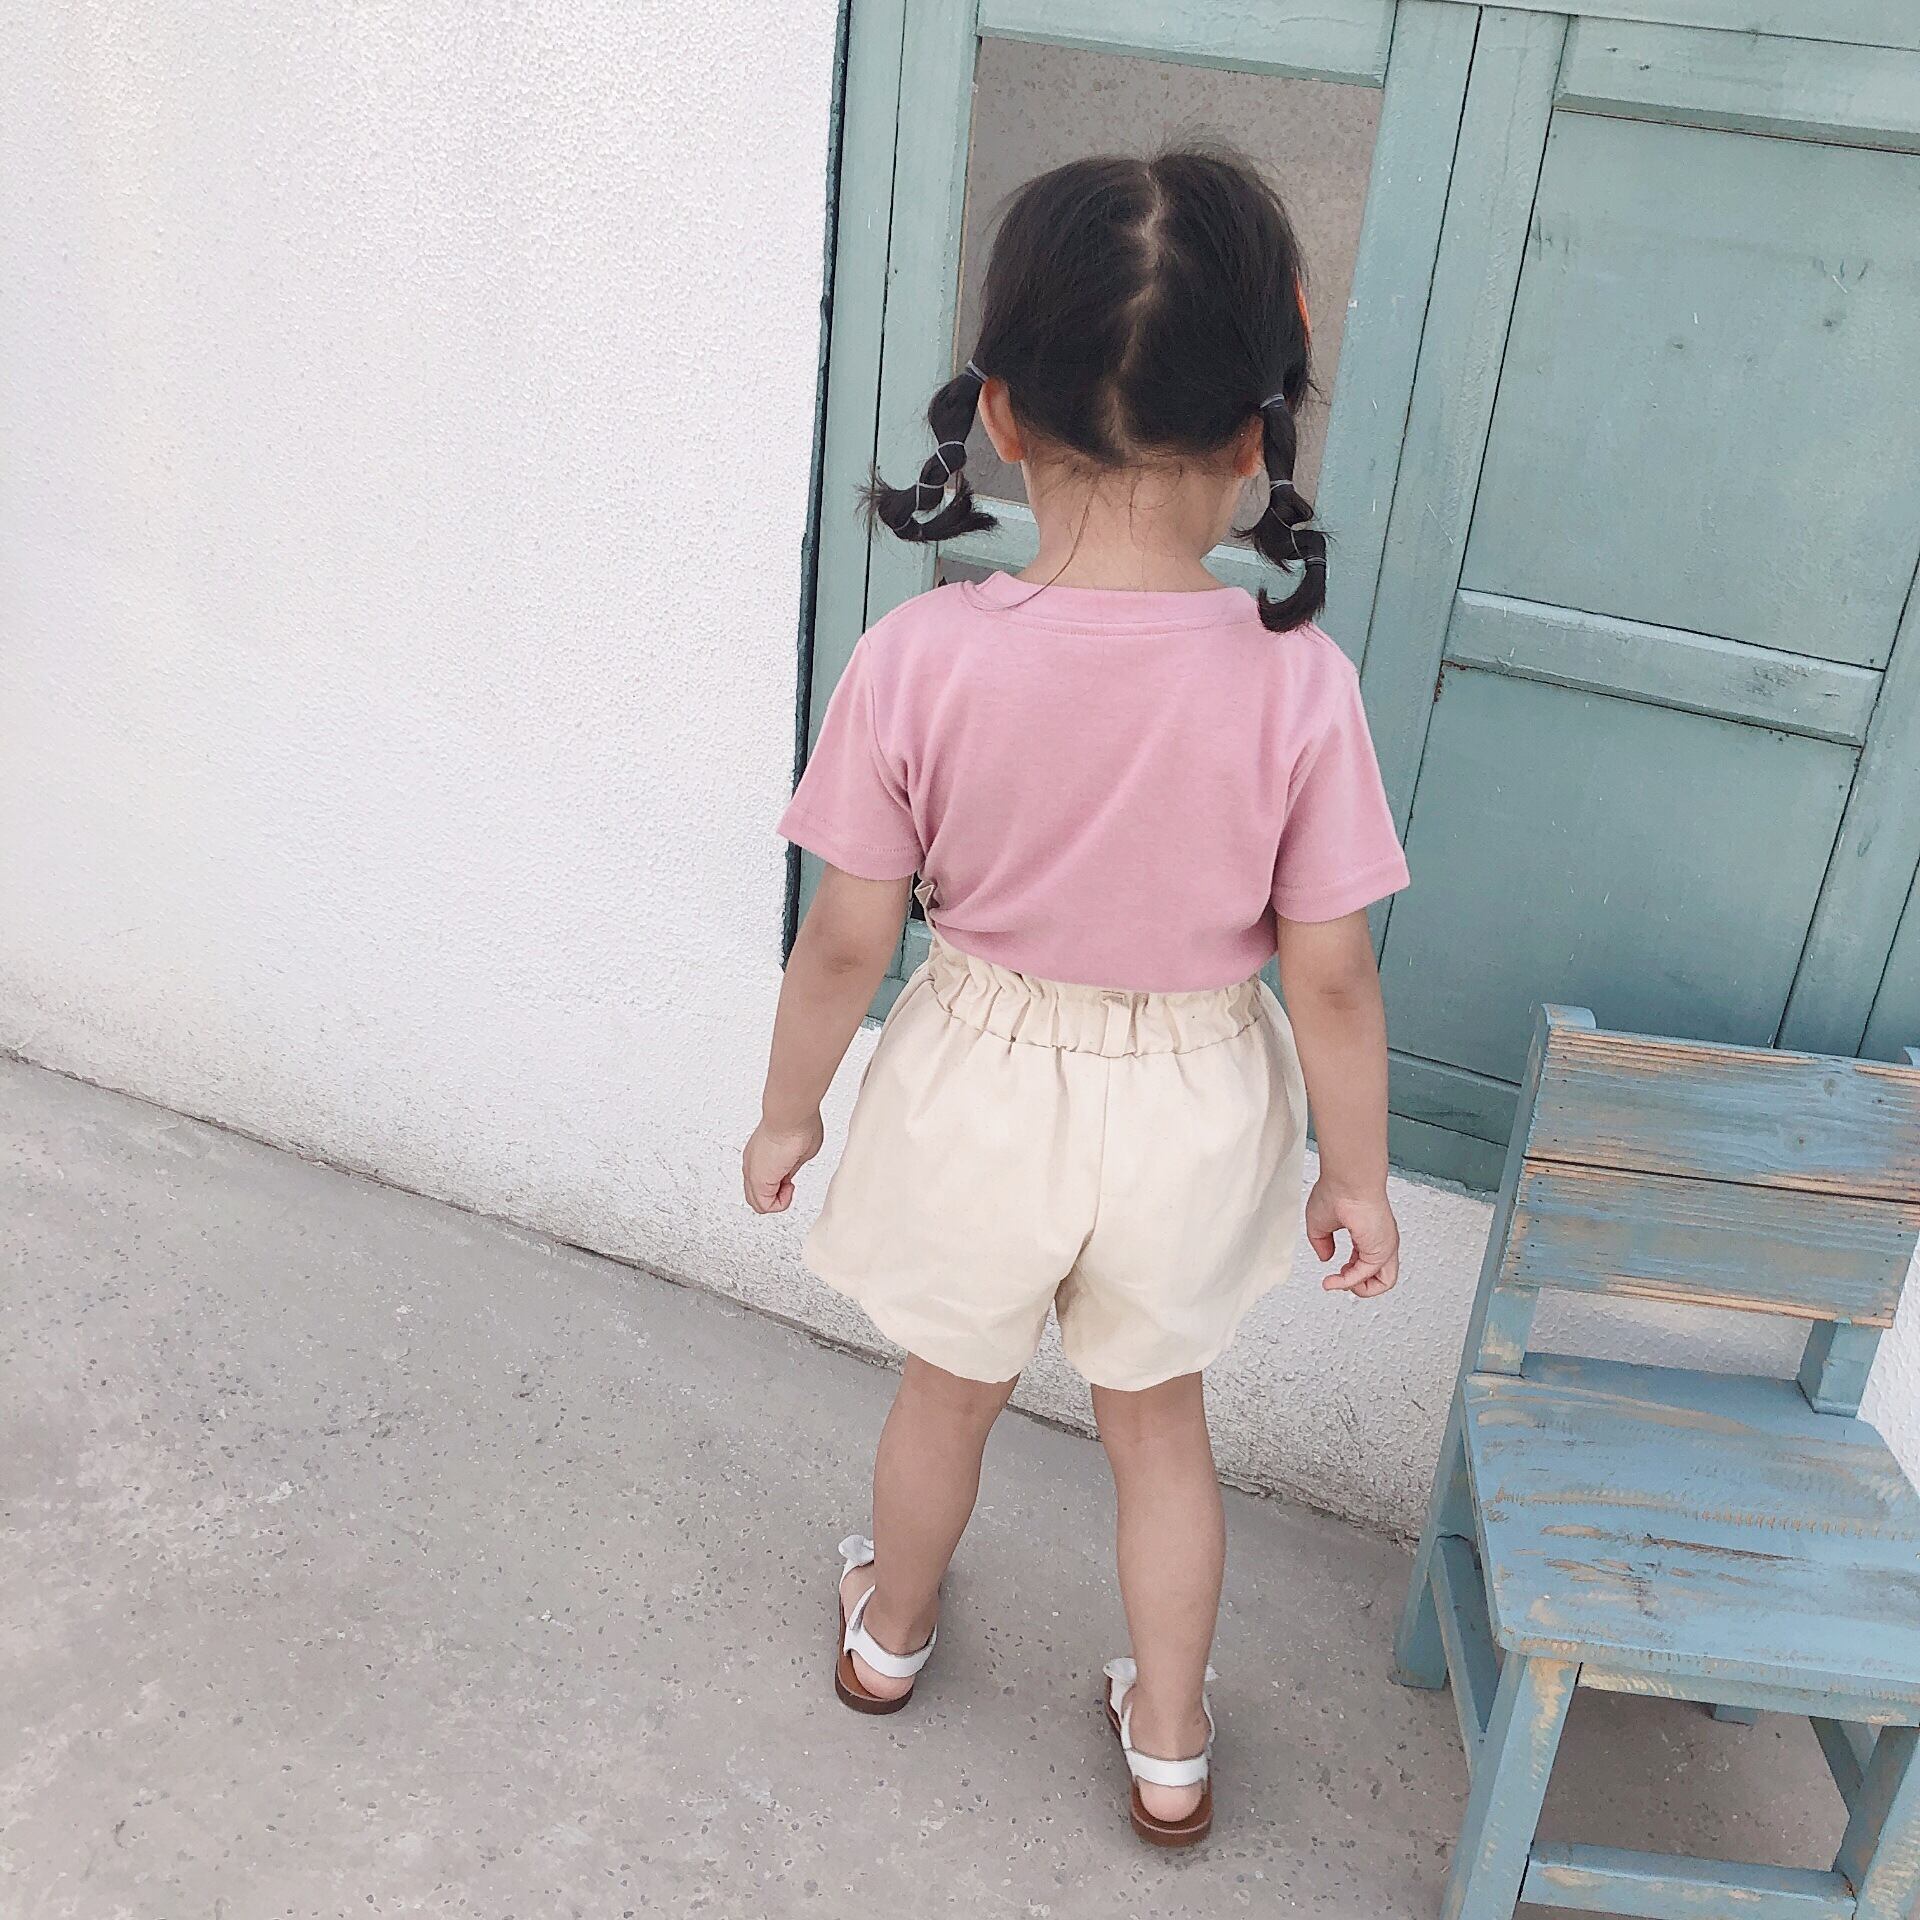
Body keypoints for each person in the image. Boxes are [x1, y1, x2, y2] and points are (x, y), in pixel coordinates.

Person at [744, 147, 1408, 1849]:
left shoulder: (920, 659)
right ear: (1258, 436)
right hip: (1193, 1104)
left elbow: (844, 943)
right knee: (1160, 1429)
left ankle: (889, 1633)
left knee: (946, 1388)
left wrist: (790, 1109)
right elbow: (1333, 974)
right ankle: (1170, 1740)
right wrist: (1354, 1172)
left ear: (1002, 416)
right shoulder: (1300, 684)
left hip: (978, 1082)